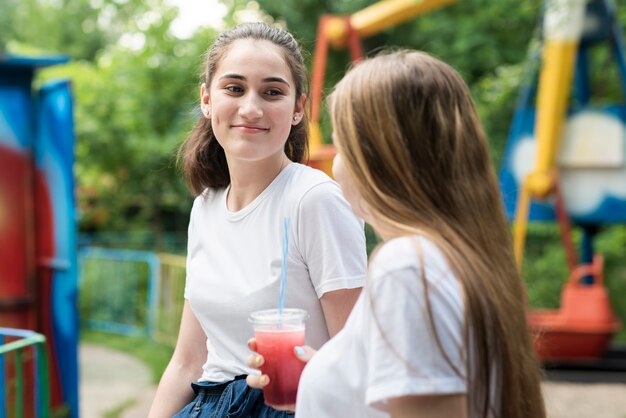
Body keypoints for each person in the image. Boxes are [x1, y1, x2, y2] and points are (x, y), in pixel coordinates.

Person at [248, 50, 546, 417]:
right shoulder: (459, 257)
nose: (335, 164)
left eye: (342, 146)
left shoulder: (407, 266)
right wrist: (324, 385)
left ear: (377, 157)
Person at [148, 22, 367, 418]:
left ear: (299, 108)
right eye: (234, 88)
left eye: (272, 92)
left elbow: (356, 359)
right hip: (207, 405)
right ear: (206, 100)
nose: (251, 108)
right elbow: (187, 362)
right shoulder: (205, 207)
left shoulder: (313, 200)